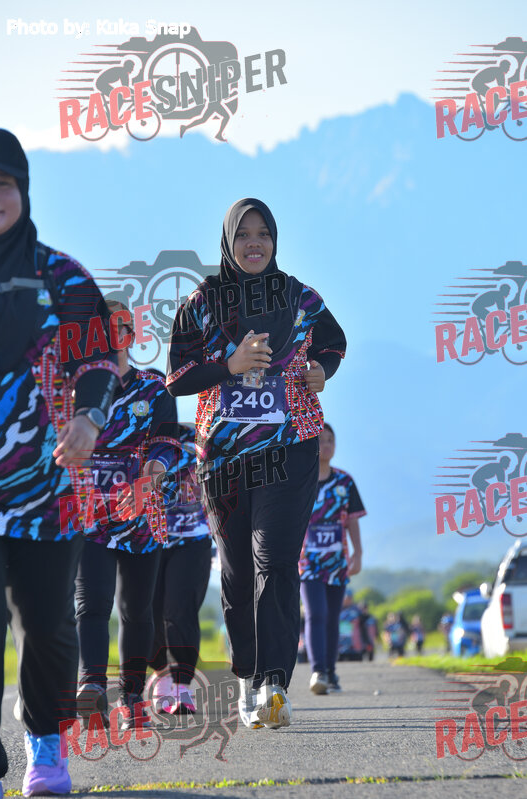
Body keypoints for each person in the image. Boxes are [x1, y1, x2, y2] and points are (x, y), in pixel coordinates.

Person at [167, 197, 346, 729]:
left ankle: (274, 684)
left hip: (291, 448)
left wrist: (321, 370)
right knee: (238, 570)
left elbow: (334, 343)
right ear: (229, 241)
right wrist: (230, 365)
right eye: (243, 234)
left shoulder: (299, 295)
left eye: (263, 233)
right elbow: (175, 378)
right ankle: (247, 676)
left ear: (275, 240)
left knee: (275, 561)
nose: (254, 243)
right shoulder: (203, 301)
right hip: (224, 459)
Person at [0, 130, 119, 798]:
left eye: (2, 185)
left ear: (23, 190)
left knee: (46, 627)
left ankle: (46, 743)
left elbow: (98, 359)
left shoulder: (61, 276)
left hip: (51, 490)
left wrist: (89, 418)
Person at [74, 301, 177, 730]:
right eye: (103, 328)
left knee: (136, 610)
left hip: (142, 513)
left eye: (122, 328)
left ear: (132, 337)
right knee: (91, 603)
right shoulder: (75, 387)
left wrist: (147, 479)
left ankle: (131, 697)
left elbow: (168, 443)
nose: (113, 335)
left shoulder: (153, 388)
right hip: (89, 513)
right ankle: (92, 686)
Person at [148, 423, 212, 715]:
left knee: (180, 610)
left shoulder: (196, 438)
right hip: (148, 540)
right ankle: (161, 674)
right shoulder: (134, 436)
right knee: (148, 612)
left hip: (193, 539)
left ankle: (182, 686)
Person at [299, 423, 365, 693]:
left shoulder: (344, 481)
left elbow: (352, 520)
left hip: (337, 562)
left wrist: (358, 553)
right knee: (316, 613)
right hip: (307, 562)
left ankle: (330, 671)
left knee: (332, 617)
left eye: (330, 440)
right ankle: (318, 672)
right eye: (320, 440)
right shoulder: (300, 479)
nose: (326, 445)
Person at [338, 589, 365, 663]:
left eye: (350, 598)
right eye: (346, 598)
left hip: (354, 643)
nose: (348, 600)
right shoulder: (337, 608)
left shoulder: (356, 610)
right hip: (340, 644)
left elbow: (363, 624)